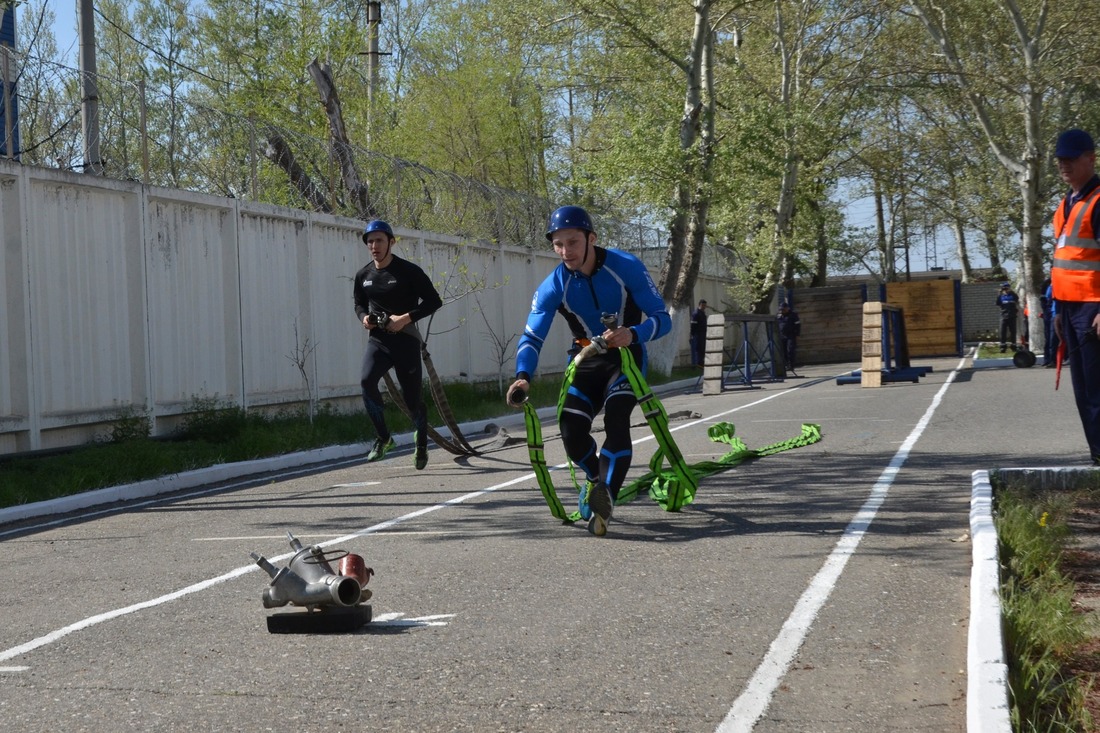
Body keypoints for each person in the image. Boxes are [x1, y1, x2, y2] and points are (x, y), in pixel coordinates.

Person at [506, 205, 671, 537]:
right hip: (584, 359)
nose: (566, 251)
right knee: (570, 428)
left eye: (573, 242)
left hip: (625, 357)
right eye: (558, 244)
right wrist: (523, 374)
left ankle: (605, 494)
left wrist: (633, 334)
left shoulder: (627, 267)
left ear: (591, 238)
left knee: (616, 417)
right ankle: (598, 482)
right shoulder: (554, 284)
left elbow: (662, 318)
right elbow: (532, 335)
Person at [353, 219, 443, 469]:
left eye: (379, 240)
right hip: (379, 341)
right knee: (366, 380)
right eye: (370, 242)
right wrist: (365, 319)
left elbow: (434, 301)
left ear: (391, 242)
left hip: (406, 342)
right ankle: (384, 438)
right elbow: (359, 304)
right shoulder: (363, 275)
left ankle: (421, 440)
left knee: (411, 400)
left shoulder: (409, 271)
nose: (374, 246)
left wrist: (405, 318)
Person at [1051, 128, 1100, 465]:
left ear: (1090, 159)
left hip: (1092, 310)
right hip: (1069, 310)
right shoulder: (1065, 205)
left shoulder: (1098, 202)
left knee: (1097, 391)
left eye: (1071, 158)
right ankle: (1097, 457)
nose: (1064, 165)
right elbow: (1062, 262)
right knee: (1083, 392)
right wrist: (1055, 309)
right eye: (1060, 160)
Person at [777, 300, 801, 375]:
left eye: (783, 309)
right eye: (780, 309)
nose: (782, 311)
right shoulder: (779, 316)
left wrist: (797, 334)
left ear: (787, 308)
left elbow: (798, 325)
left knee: (790, 350)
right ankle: (786, 364)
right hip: (782, 335)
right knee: (783, 351)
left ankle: (791, 365)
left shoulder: (793, 315)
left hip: (791, 335)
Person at [996, 282, 1019, 352]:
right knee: (1002, 332)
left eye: (1005, 287)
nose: (1004, 289)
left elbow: (1017, 299)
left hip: (1012, 316)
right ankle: (1003, 346)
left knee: (1013, 332)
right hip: (1003, 316)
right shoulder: (1001, 296)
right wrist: (999, 294)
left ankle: (1013, 346)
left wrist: (1011, 291)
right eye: (1003, 288)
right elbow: (998, 303)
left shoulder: (1013, 295)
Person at [1041, 278, 1059, 367]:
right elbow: (1044, 298)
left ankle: (1055, 359)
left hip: (1058, 313)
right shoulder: (1047, 284)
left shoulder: (1060, 282)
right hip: (1049, 313)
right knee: (1049, 338)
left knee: (1054, 338)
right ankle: (1048, 359)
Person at [690, 299, 708, 367]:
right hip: (698, 333)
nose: (704, 307)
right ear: (699, 305)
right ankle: (699, 362)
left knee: (703, 347)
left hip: (703, 333)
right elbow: (693, 324)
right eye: (703, 305)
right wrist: (692, 333)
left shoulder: (702, 313)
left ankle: (702, 361)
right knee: (699, 347)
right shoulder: (696, 313)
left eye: (705, 305)